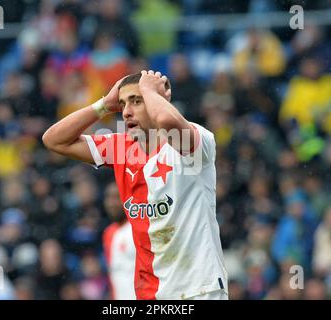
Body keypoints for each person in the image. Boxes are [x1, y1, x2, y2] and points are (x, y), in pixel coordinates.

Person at [43, 70, 228, 300]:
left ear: (160, 99)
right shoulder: (121, 148)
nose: (127, 111)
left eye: (136, 101)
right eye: (122, 104)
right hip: (149, 295)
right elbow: (53, 139)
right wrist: (104, 105)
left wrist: (151, 91)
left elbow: (167, 120)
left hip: (198, 290)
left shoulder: (193, 142)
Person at [102, 182, 136, 300]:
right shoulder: (108, 233)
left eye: (117, 197)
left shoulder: (138, 229)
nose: (111, 203)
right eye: (108, 197)